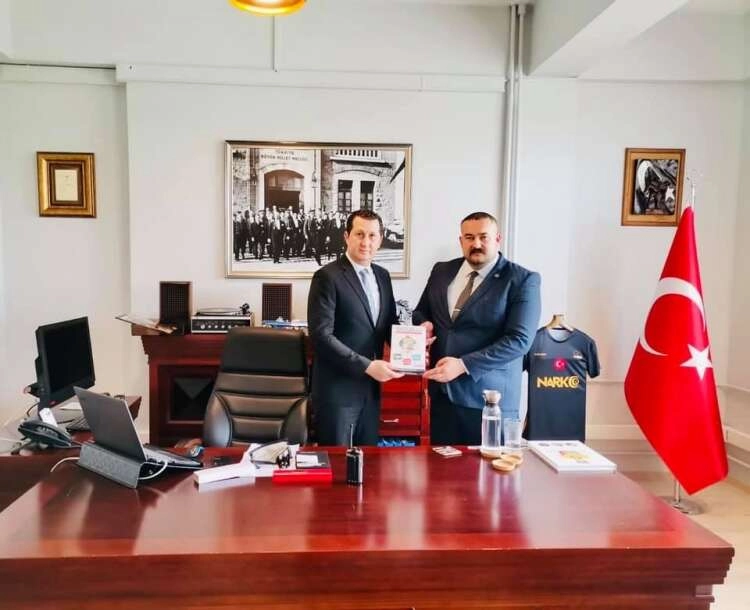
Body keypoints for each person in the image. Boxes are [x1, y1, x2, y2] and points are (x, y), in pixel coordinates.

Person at [412, 211, 541, 445]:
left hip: (488, 401)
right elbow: (422, 311)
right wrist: (424, 325)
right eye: (469, 237)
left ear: (498, 239)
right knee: (442, 466)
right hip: (442, 395)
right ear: (461, 240)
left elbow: (519, 340)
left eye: (483, 237)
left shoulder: (522, 280)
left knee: (489, 469)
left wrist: (463, 365)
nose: (476, 244)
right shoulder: (441, 271)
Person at [307, 209, 403, 446]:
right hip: (337, 393)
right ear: (346, 236)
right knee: (338, 463)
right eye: (360, 234)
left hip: (370, 391)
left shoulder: (383, 276)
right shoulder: (327, 277)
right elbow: (321, 336)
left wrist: (413, 345)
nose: (366, 242)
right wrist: (367, 366)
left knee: (367, 461)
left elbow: (388, 325)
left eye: (372, 235)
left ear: (380, 239)